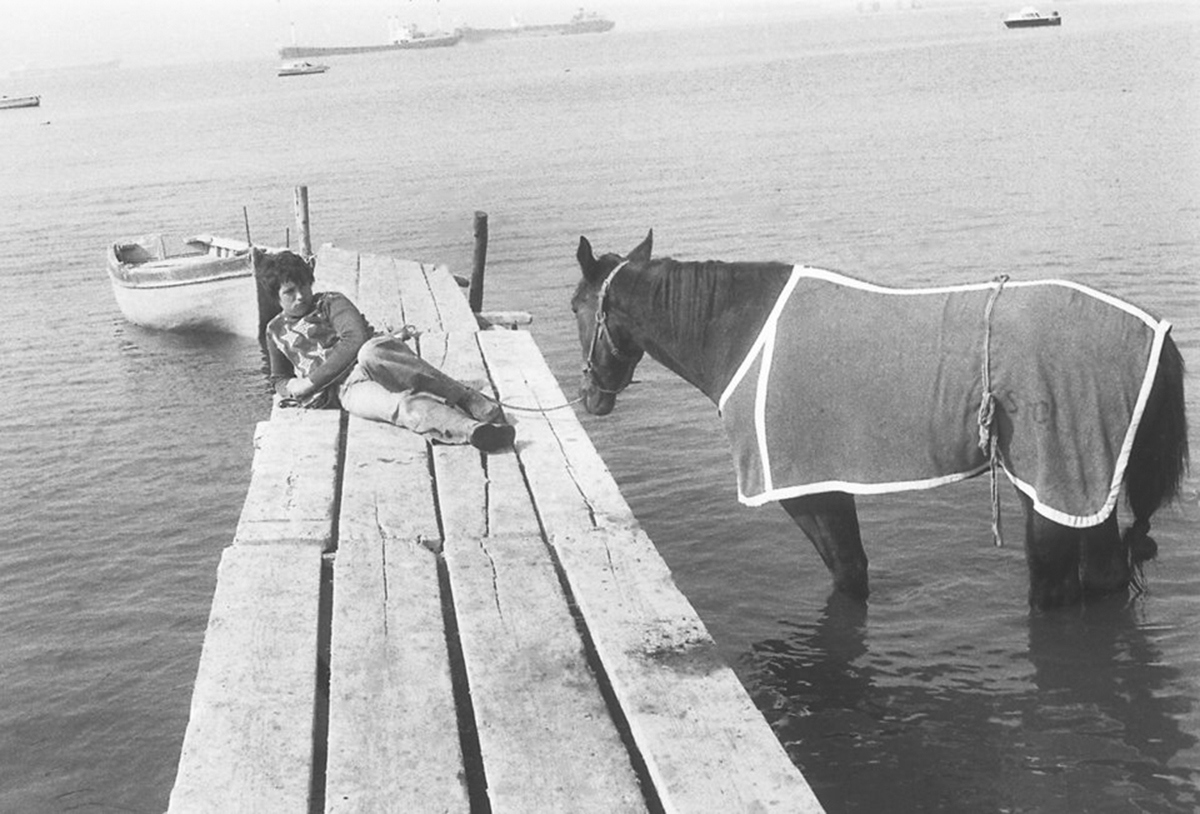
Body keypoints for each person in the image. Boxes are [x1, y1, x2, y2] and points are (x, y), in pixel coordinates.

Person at [256, 249, 515, 452]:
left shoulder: (331, 302)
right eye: (290, 292)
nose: (301, 296)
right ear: (277, 298)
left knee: (370, 352)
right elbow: (278, 378)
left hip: (373, 358)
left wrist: (311, 381)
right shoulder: (275, 330)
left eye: (303, 286)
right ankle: (474, 431)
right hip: (344, 389)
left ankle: (465, 397)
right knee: (400, 407)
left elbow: (354, 339)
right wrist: (290, 387)